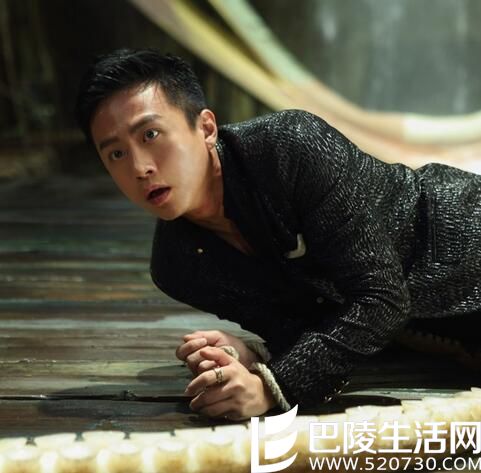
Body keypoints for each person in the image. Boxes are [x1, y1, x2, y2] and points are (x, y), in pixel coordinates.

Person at [75, 48, 481, 421]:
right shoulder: (176, 265)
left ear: (206, 128)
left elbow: (381, 297)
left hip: (464, 240)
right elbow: (312, 326)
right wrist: (252, 355)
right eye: (116, 153)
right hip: (440, 340)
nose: (140, 168)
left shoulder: (291, 146)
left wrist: (274, 387)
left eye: (150, 135)